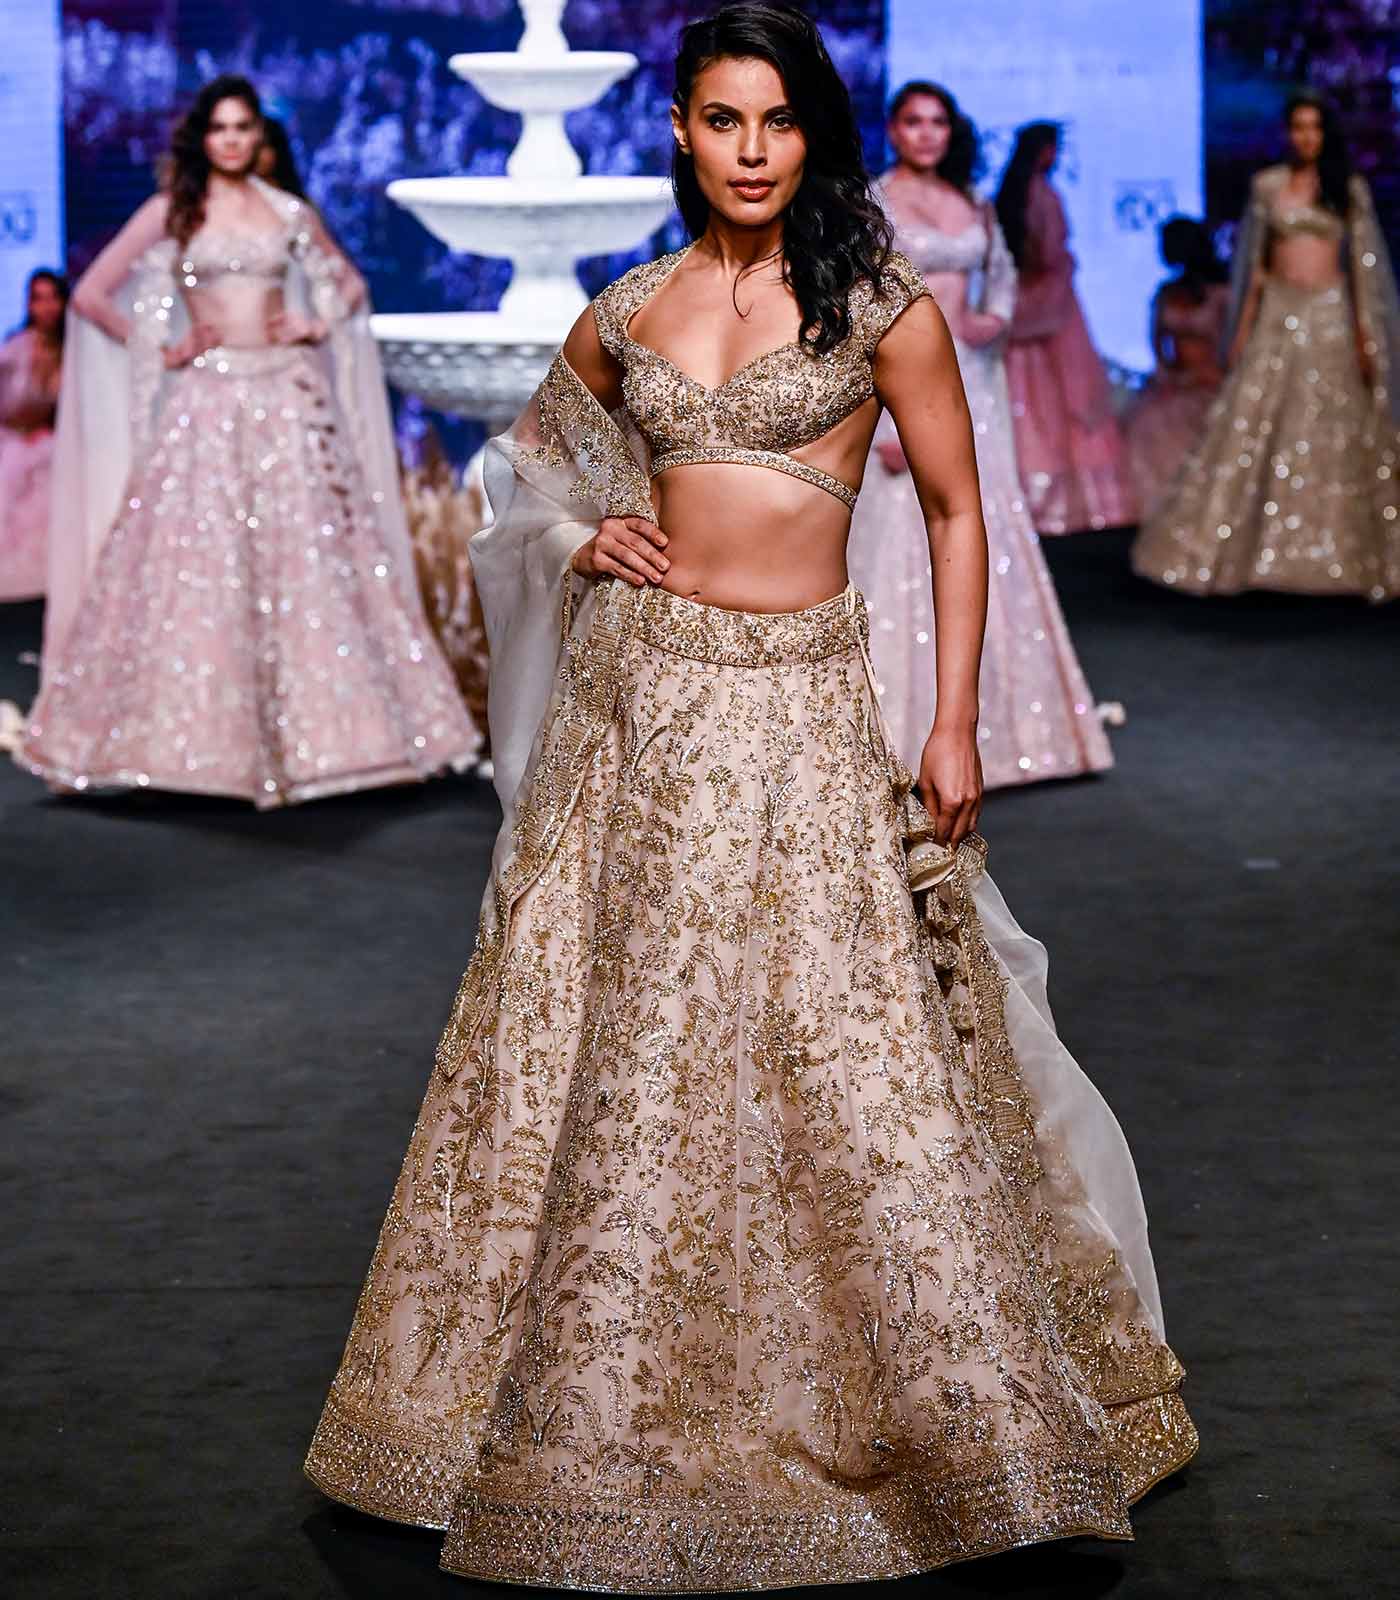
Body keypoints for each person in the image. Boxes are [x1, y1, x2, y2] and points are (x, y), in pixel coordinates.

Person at [304, 6, 1196, 1588]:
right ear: (680, 131)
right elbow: (523, 474)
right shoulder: (632, 306)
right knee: (618, 1049)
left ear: (811, 132)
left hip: (797, 713)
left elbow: (957, 510)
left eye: (778, 120)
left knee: (843, 1050)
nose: (752, 150)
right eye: (724, 120)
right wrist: (582, 535)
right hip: (637, 720)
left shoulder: (877, 303)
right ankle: (553, 1428)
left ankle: (943, 1434)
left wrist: (956, 722)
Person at [18, 75, 477, 805]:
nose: (231, 140)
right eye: (219, 128)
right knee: (191, 567)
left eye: (243, 128)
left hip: (285, 400)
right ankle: (186, 747)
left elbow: (349, 285)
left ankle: (324, 744)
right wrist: (163, 345)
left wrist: (315, 323)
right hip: (205, 402)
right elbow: (93, 294)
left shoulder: (286, 210)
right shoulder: (173, 210)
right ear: (202, 138)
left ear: (258, 136)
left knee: (309, 566)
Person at [848, 82, 1111, 788]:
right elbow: (858, 308)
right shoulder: (872, 203)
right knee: (899, 538)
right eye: (913, 121)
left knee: (984, 533)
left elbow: (1002, 277)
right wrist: (882, 418)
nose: (926, 133)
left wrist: (993, 318)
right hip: (901, 386)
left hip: (972, 385)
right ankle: (891, 735)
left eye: (937, 122)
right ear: (894, 130)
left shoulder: (974, 202)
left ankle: (1010, 733)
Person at [1133, 93, 1400, 598]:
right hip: (1278, 314)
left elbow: (1361, 266)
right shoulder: (1268, 186)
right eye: (1298, 127)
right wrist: (1240, 331)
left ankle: (1334, 551)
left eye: (1314, 127)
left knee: (1331, 429)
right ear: (1287, 132)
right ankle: (1251, 553)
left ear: (1326, 133)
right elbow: (1255, 267)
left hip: (1330, 316)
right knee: (1256, 428)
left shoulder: (1347, 188)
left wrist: (1366, 332)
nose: (1306, 137)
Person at [996, 123, 1136, 534]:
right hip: (1050, 303)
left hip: (1019, 301)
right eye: (1051, 149)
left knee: (1024, 393)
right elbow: (1048, 252)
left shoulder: (1010, 194)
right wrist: (1063, 266)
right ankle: (1064, 502)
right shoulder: (1043, 194)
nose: (1053, 157)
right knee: (1065, 393)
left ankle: (1025, 494)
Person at [1121, 217, 1230, 517]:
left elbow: (1232, 345)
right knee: (1147, 425)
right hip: (1174, 383)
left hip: (1212, 383)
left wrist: (1211, 375)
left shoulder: (1221, 294)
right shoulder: (1167, 293)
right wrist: (1168, 374)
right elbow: (1158, 343)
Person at [0, 270, 66, 601]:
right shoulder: (15, 350)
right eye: (39, 299)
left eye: (53, 298)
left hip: (53, 445)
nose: (47, 307)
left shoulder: (71, 351)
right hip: (14, 442)